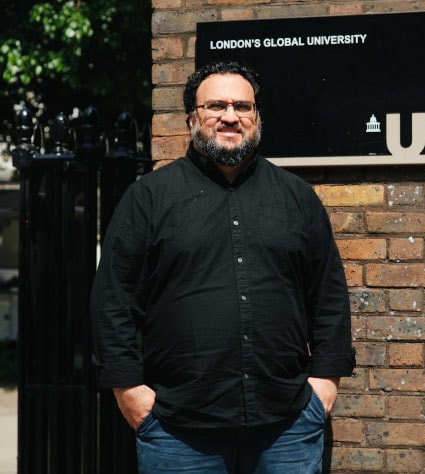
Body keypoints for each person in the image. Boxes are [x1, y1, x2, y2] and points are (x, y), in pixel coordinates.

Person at [90, 61, 356, 473]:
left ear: (256, 117)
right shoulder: (149, 199)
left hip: (286, 425)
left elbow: (329, 297)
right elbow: (113, 301)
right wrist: (130, 392)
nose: (230, 116)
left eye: (242, 106)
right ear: (191, 118)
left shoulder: (296, 198)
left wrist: (325, 384)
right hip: (177, 428)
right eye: (216, 105)